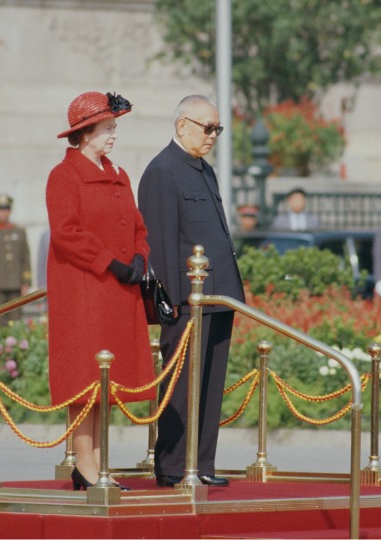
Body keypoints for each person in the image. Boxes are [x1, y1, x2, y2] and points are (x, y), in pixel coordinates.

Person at [46, 91, 154, 491]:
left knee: (105, 383)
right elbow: (67, 234)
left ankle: (94, 466)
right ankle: (85, 465)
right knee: (85, 380)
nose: (113, 136)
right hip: (85, 293)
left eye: (113, 129)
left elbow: (138, 227)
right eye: (108, 129)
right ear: (85, 133)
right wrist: (112, 262)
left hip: (116, 290)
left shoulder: (119, 174)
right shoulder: (64, 175)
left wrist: (140, 259)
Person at [138, 95, 245, 488]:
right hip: (187, 300)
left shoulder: (204, 170)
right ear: (183, 125)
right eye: (208, 128)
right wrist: (168, 301)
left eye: (218, 128)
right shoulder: (163, 171)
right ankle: (172, 466)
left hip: (217, 295)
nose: (213, 136)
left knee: (210, 385)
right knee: (182, 386)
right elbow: (160, 241)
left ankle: (201, 463)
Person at [0, 194, 32, 326]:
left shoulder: (19, 232)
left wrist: (26, 282)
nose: (3, 213)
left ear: (10, 211)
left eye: (6, 210)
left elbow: (25, 258)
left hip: (15, 284)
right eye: (0, 210)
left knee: (15, 323)